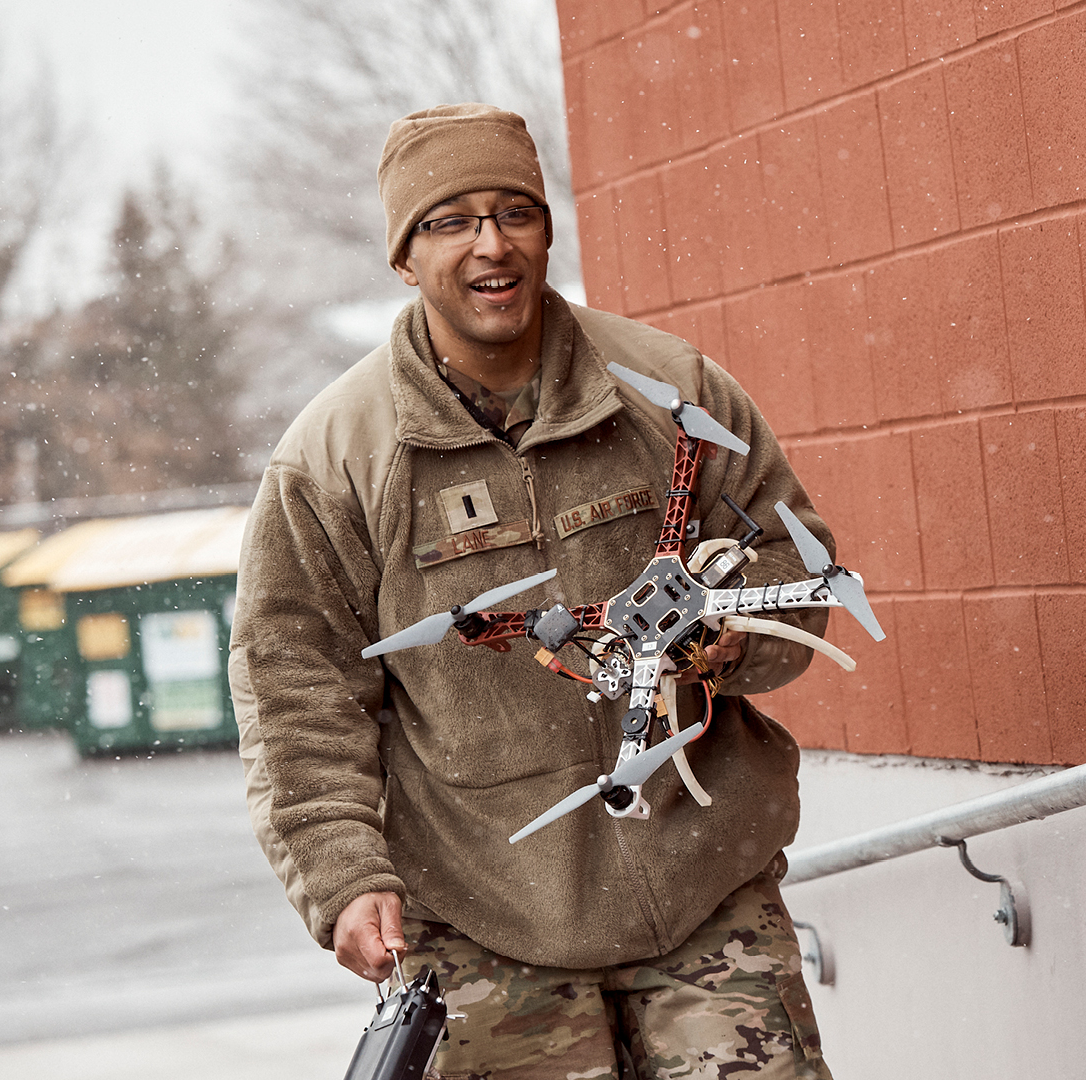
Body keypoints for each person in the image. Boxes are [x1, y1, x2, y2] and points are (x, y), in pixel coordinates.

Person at [231, 103, 835, 1080]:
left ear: (548, 228)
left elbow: (795, 573)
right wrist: (341, 876)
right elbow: (295, 691)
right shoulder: (336, 458)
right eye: (450, 221)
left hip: (703, 885)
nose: (490, 245)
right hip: (479, 913)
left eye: (515, 212)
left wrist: (728, 633)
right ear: (403, 256)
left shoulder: (669, 390)